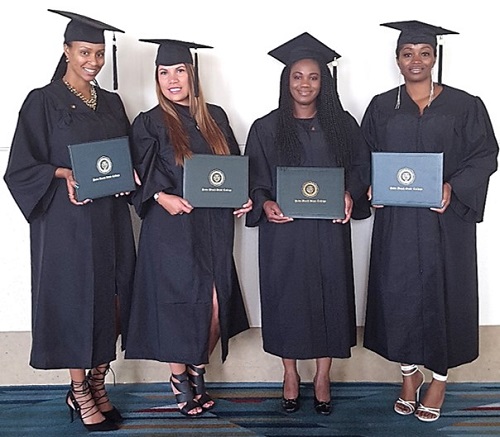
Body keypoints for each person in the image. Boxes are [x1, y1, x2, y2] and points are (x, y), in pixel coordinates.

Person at [3, 9, 136, 432]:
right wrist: (62, 174)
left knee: (112, 297)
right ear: (66, 51)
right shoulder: (42, 100)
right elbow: (20, 167)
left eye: (98, 53)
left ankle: (98, 381)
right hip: (66, 222)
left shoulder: (113, 102)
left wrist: (128, 176)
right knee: (76, 299)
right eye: (84, 52)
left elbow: (125, 157)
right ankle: (79, 391)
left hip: (110, 219)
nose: (93, 61)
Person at [361, 20, 499, 422]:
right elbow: (364, 155)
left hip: (445, 223)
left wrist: (454, 187)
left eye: (424, 53)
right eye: (407, 54)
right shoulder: (382, 105)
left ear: (435, 58)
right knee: (397, 294)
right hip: (399, 223)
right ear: (397, 60)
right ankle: (408, 375)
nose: (415, 60)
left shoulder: (464, 104)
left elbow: (485, 155)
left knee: (445, 296)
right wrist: (370, 186)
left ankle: (439, 378)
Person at [244, 32, 371, 415]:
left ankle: (322, 375)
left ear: (324, 81)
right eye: (297, 76)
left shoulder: (343, 125)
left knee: (330, 298)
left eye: (313, 77)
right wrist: (265, 204)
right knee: (287, 302)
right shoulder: (265, 127)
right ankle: (289, 373)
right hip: (284, 233)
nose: (304, 84)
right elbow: (254, 179)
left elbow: (361, 169)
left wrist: (349, 193)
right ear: (286, 81)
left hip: (329, 230)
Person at [124, 38, 251, 417]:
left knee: (213, 305)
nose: (172, 79)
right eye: (164, 73)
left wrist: (241, 196)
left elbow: (232, 169)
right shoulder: (148, 122)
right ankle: (180, 377)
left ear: (192, 75)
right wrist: (162, 198)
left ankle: (196, 365)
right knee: (178, 305)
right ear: (157, 78)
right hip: (172, 229)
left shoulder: (216, 117)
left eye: (179, 71)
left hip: (213, 226)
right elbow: (138, 177)